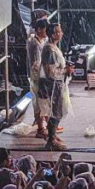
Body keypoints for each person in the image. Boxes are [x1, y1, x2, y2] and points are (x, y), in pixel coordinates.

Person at [39, 21, 70, 151]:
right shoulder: (49, 50)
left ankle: (53, 136)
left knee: (58, 111)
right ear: (52, 34)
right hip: (52, 85)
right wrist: (65, 70)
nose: (61, 33)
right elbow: (50, 72)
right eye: (58, 31)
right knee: (55, 111)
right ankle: (51, 140)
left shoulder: (53, 47)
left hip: (57, 84)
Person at [26, 17, 49, 137]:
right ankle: (40, 128)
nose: (47, 32)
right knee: (39, 102)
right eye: (45, 29)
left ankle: (47, 125)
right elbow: (35, 63)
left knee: (44, 101)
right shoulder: (34, 43)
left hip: (42, 74)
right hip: (38, 75)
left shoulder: (42, 40)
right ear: (39, 29)